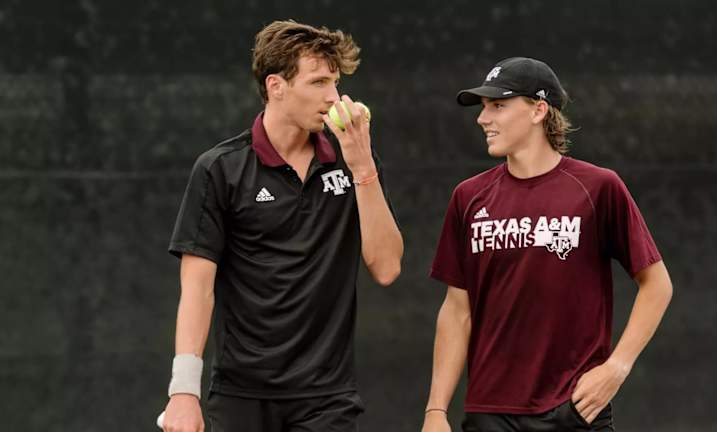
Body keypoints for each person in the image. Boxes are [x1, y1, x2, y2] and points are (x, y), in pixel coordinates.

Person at [160, 20, 403, 432]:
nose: (334, 97)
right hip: (240, 397)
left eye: (336, 83)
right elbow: (198, 289)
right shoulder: (221, 168)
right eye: (319, 82)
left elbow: (387, 266)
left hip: (328, 399)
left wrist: (363, 168)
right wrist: (183, 391)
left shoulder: (353, 159)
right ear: (276, 86)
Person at [421, 57, 673, 432]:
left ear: (539, 110)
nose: (483, 119)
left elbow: (657, 285)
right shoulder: (468, 197)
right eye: (483, 108)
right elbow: (457, 311)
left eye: (498, 106)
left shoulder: (597, 188)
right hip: (490, 413)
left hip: (574, 409)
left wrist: (616, 368)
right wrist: (436, 411)